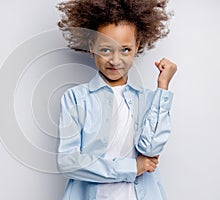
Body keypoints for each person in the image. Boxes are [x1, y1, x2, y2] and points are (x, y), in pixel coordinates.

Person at [56, 0, 177, 199]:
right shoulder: (76, 98)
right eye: (105, 49)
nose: (115, 60)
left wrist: (162, 87)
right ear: (91, 45)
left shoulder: (147, 99)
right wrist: (131, 167)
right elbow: (69, 162)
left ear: (137, 46)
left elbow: (152, 148)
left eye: (125, 49)